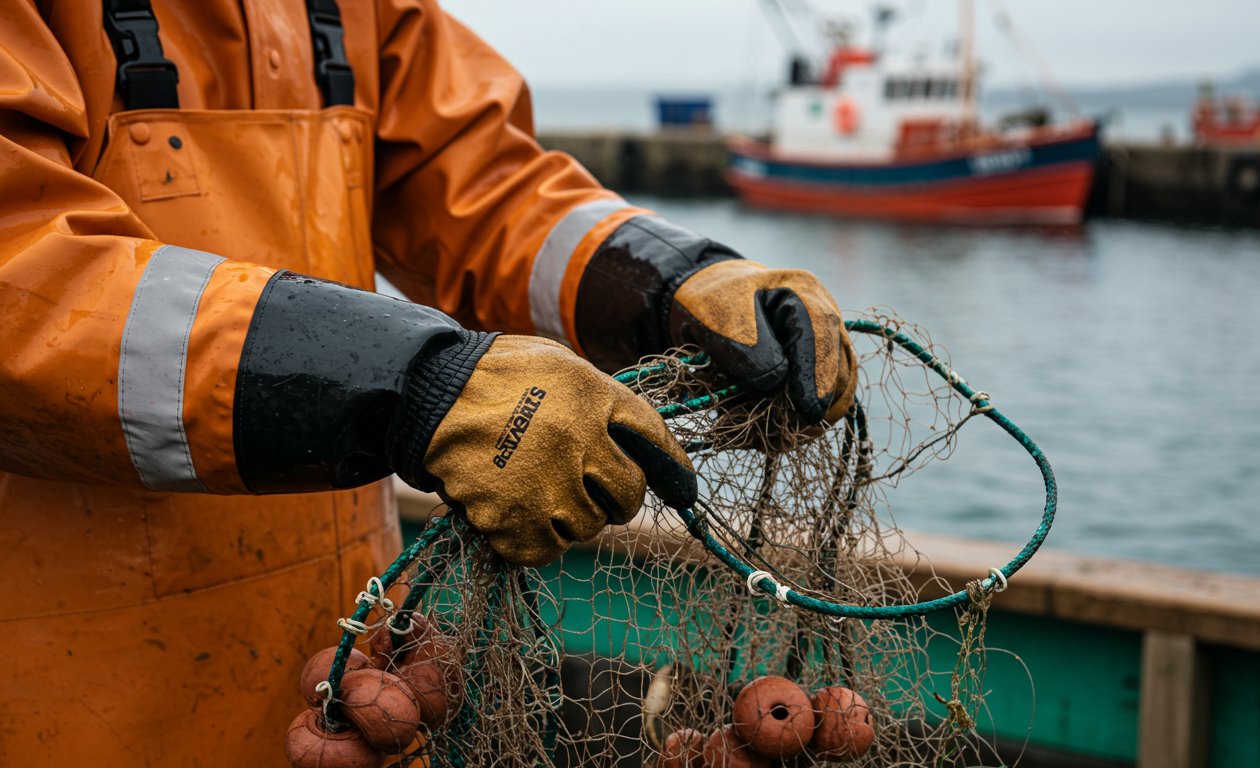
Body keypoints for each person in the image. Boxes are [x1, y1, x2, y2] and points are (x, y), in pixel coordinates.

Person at [0, 0, 856, 764]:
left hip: (357, 655)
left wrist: (669, 277)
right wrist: (412, 383)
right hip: (70, 697)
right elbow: (24, 277)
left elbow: (480, 184)